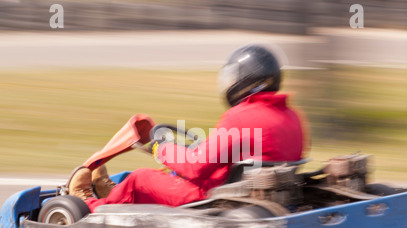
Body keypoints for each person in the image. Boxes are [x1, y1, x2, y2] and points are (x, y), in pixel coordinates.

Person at [68, 44, 310, 213]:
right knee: (170, 173)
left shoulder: (240, 116)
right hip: (264, 192)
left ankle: (88, 207)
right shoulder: (293, 115)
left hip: (217, 198)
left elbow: (196, 168)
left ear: (247, 80)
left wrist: (160, 149)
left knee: (139, 179)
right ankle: (111, 194)